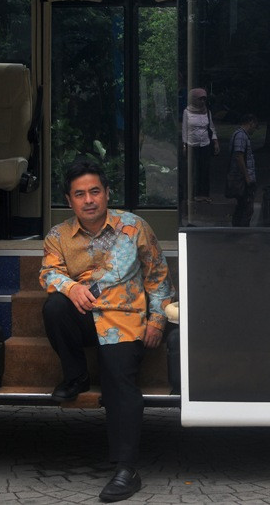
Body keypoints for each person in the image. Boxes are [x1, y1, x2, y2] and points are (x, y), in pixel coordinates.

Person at [39, 158, 174, 502]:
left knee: (119, 383)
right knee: (54, 306)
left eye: (95, 191)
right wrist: (71, 288)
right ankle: (76, 376)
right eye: (80, 194)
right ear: (69, 200)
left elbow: (158, 276)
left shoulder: (135, 227)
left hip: (124, 321)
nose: (89, 200)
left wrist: (157, 320)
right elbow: (49, 274)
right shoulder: (58, 236)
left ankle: (126, 470)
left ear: (106, 193)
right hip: (84, 316)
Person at [181, 88, 219, 203]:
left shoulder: (207, 111)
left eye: (204, 99)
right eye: (200, 99)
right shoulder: (187, 112)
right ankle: (192, 195)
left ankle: (204, 194)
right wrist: (184, 145)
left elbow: (211, 127)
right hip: (192, 144)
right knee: (192, 170)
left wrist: (215, 142)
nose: (202, 102)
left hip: (205, 144)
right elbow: (184, 129)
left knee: (204, 169)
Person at [226, 113, 259, 227]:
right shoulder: (241, 136)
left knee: (243, 205)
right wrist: (247, 177)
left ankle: (239, 228)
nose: (255, 129)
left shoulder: (241, 135)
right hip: (243, 179)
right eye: (255, 126)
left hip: (243, 177)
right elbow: (239, 156)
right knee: (246, 207)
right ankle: (241, 230)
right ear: (251, 123)